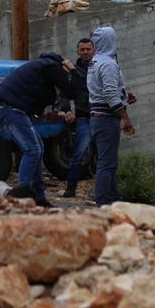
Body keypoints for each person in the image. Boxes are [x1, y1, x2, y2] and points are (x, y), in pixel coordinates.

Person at [0, 51, 77, 207]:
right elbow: (72, 91)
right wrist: (73, 70)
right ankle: (19, 197)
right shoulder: (51, 66)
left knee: (38, 148)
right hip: (9, 108)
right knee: (32, 149)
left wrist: (51, 114)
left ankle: (39, 197)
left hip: (4, 108)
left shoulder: (39, 71)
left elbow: (37, 105)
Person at [87, 27, 136, 207]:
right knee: (107, 163)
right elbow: (108, 94)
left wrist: (124, 96)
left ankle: (114, 201)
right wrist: (125, 117)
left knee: (108, 162)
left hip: (99, 116)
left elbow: (104, 90)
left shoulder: (95, 61)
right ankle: (104, 203)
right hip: (106, 118)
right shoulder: (107, 64)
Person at [58, 37, 94, 198]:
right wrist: (66, 110)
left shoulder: (99, 66)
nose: (85, 52)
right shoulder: (73, 70)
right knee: (79, 153)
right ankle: (70, 188)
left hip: (102, 116)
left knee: (104, 155)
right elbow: (65, 92)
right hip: (84, 116)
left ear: (94, 50)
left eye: (88, 49)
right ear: (78, 51)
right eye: (82, 49)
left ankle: (103, 190)